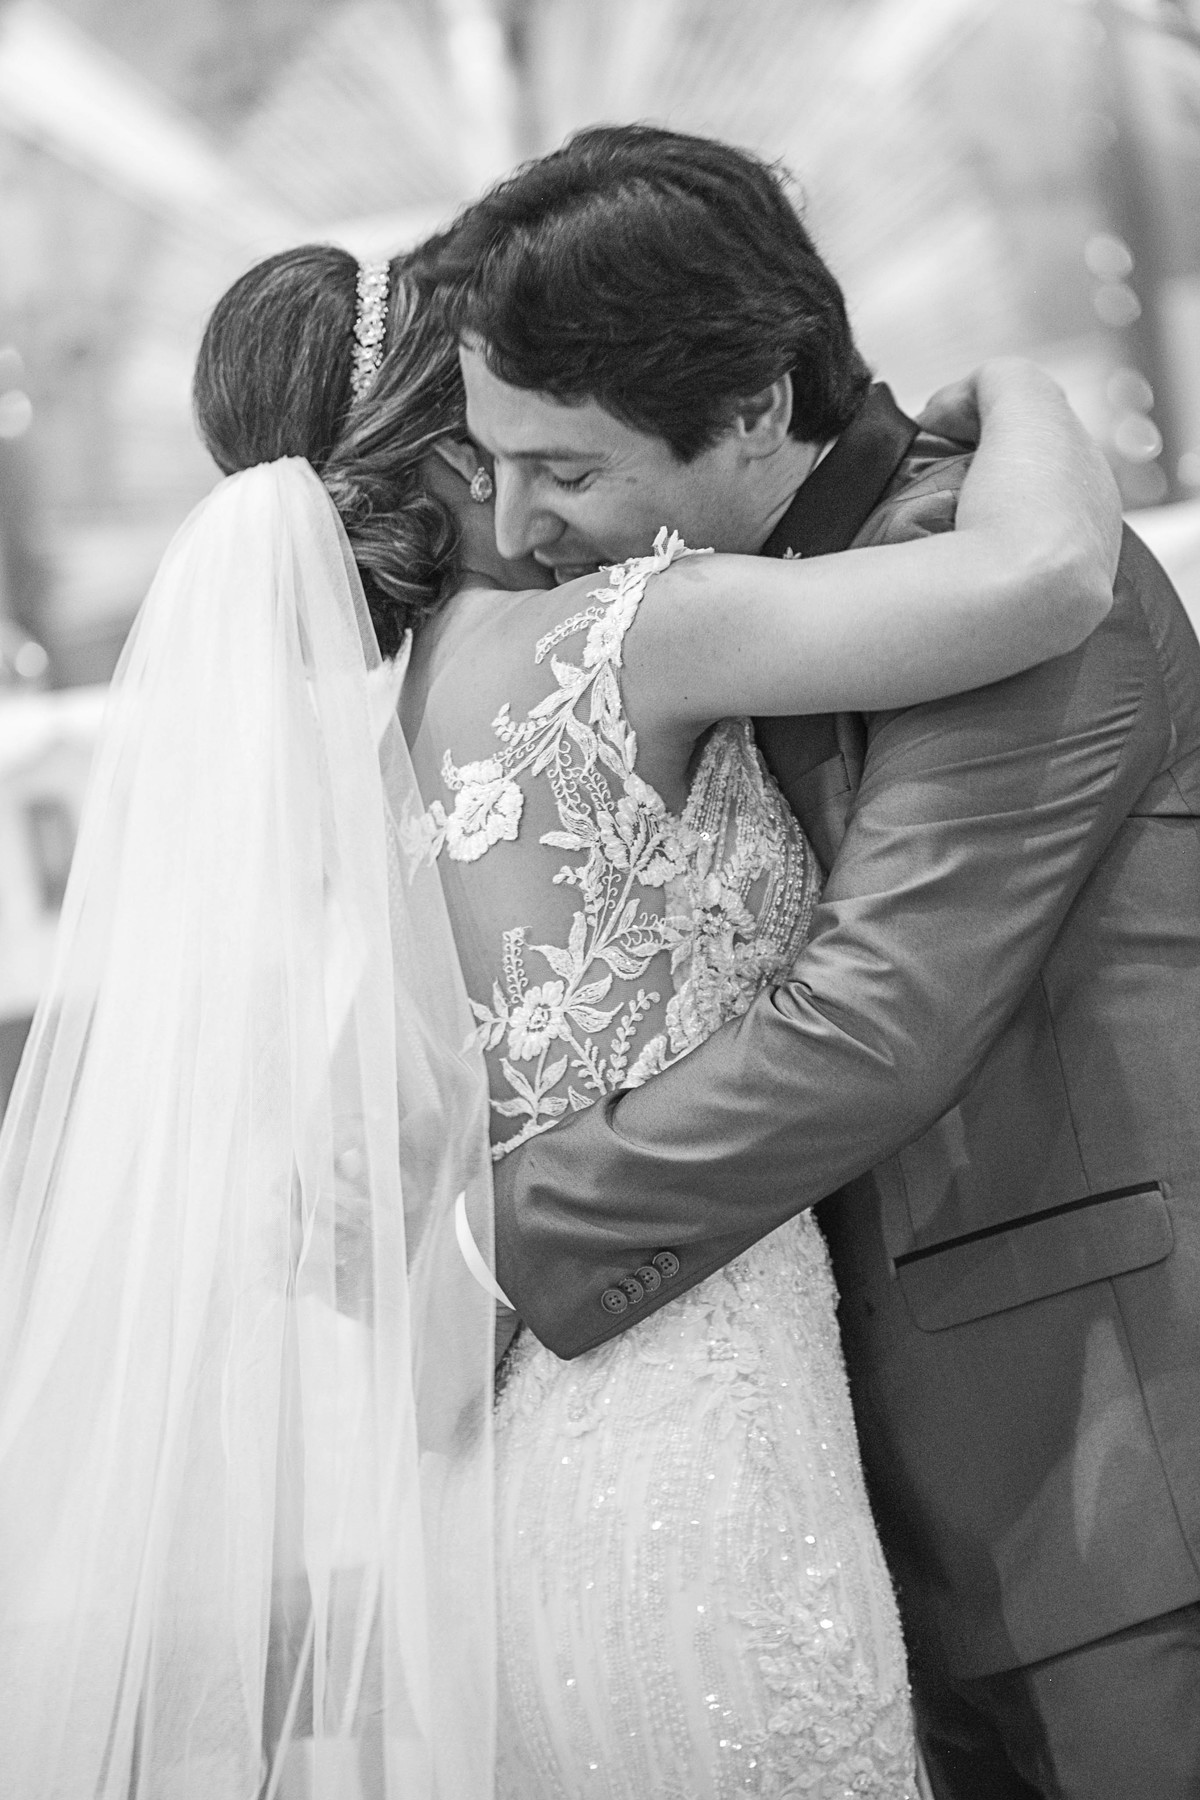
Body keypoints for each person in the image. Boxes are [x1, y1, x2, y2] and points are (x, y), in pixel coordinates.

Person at [0, 240, 1116, 1799]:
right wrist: (1026, 393)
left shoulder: (370, 754)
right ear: (460, 437)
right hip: (715, 1454)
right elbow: (1042, 580)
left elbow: (349, 1196)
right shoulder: (634, 635)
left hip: (518, 1505)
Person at [420, 124, 1200, 1800]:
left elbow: (876, 1018)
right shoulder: (740, 620)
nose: (522, 524)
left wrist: (486, 1242)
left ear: (759, 404)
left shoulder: (1006, 596)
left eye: (565, 470)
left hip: (1123, 1491)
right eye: (493, 465)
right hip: (871, 1487)